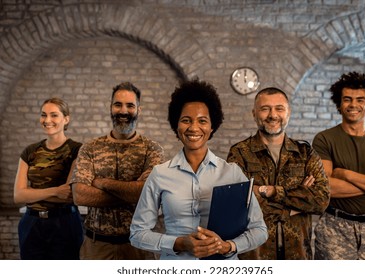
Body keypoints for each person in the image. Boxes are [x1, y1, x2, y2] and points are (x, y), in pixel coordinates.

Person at [130, 79, 268, 260]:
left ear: (212, 127)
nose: (194, 127)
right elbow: (137, 234)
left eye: (202, 121)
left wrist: (228, 246)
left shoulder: (232, 173)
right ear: (176, 125)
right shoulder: (160, 174)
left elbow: (260, 230)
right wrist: (179, 243)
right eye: (186, 120)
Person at [227, 87, 330, 260]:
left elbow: (321, 200)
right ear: (254, 113)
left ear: (288, 112)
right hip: (255, 255)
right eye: (265, 108)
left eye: (279, 108)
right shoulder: (240, 152)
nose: (272, 115)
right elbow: (238, 204)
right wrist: (296, 204)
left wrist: (269, 191)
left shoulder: (305, 153)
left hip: (298, 256)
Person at [71, 81, 164, 260]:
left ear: (139, 110)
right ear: (110, 108)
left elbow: (145, 193)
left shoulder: (152, 149)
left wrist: (101, 183)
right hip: (96, 248)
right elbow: (80, 195)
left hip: (138, 246)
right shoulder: (90, 148)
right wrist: (131, 193)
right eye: (118, 104)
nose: (123, 111)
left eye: (130, 105)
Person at [312, 71, 365, 260]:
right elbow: (325, 188)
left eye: (360, 100)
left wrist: (346, 174)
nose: (353, 105)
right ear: (339, 104)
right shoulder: (324, 139)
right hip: (335, 226)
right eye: (347, 99)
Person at [13, 97, 83, 260]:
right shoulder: (30, 151)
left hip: (64, 222)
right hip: (31, 223)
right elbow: (18, 195)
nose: (47, 120)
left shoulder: (77, 150)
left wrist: (31, 192)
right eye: (43, 115)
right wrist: (55, 191)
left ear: (66, 119)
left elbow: (68, 194)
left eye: (54, 115)